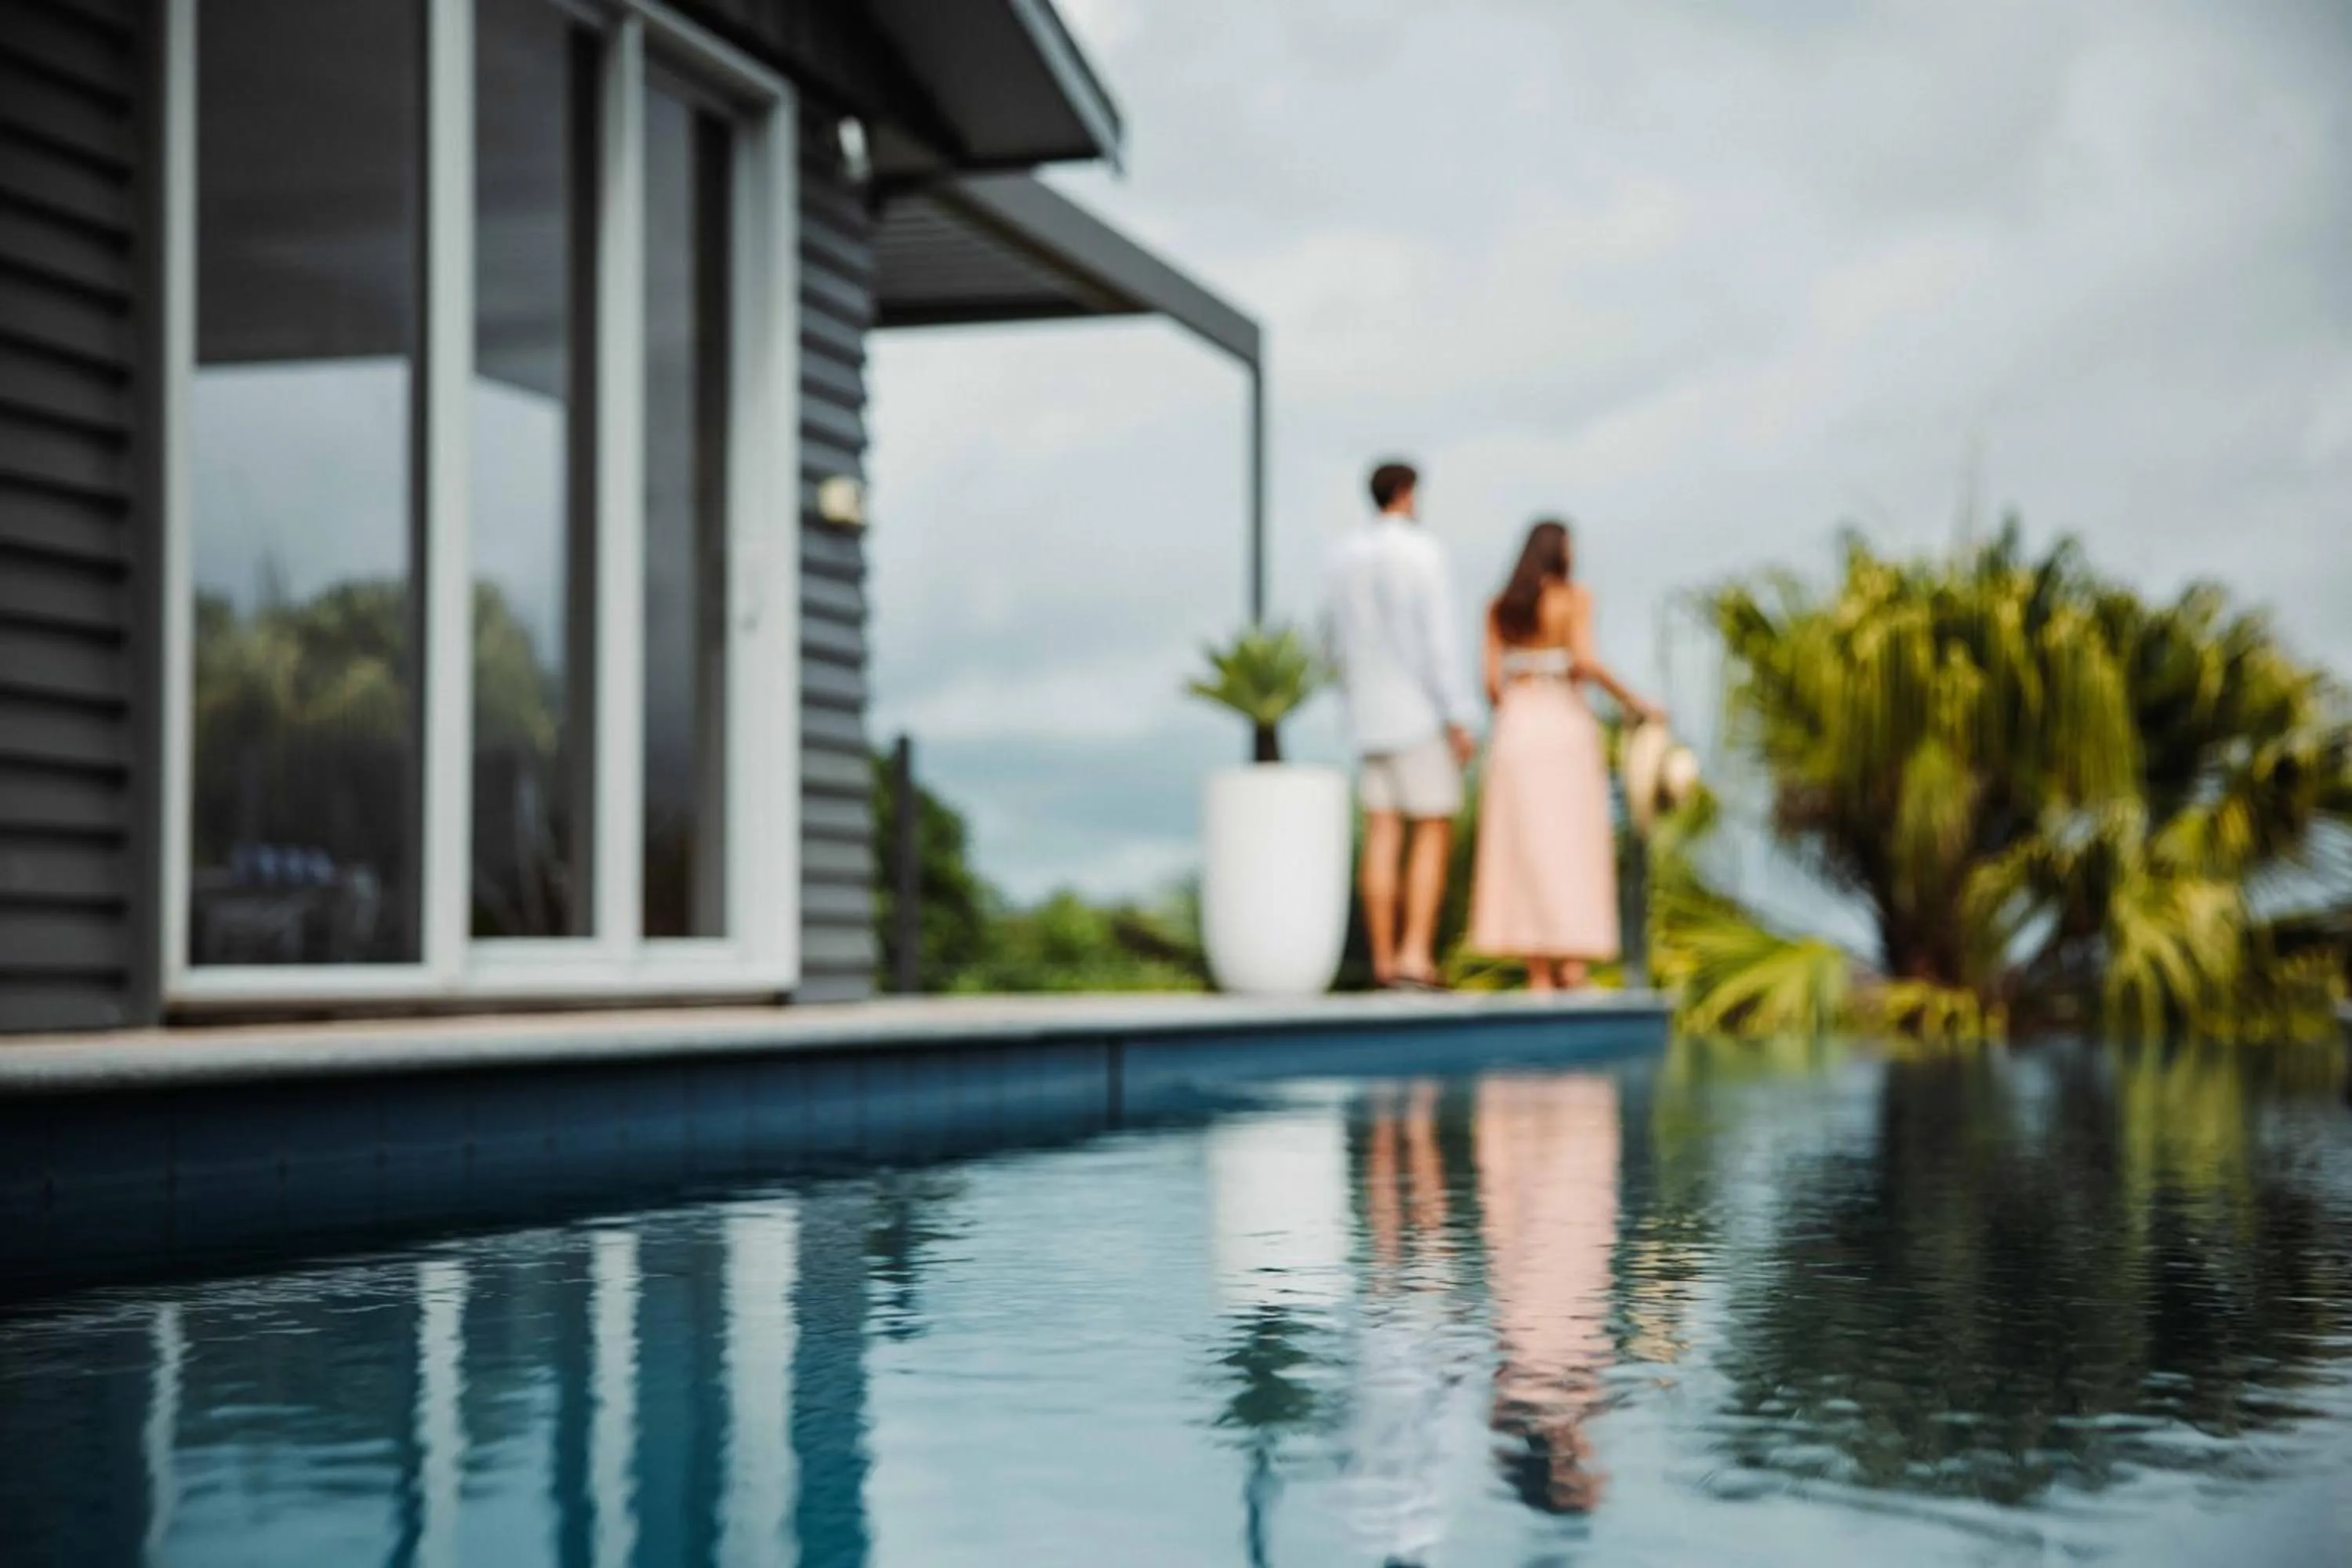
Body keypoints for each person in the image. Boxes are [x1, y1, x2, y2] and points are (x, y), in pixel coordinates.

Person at [1468, 519, 1661, 992]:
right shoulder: (1575, 598)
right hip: (1563, 723)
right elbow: (1586, 661)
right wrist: (1635, 701)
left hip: (1517, 722)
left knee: (1525, 845)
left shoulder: (1499, 608)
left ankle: (1538, 973)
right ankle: (1572, 967)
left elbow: (1491, 685)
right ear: (1562, 551)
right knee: (1570, 844)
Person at [1323, 461, 1481, 991]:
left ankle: (1385, 960)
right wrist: (1457, 714)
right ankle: (1415, 954)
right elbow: (1437, 642)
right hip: (1417, 713)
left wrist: (1350, 704)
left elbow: (1331, 642)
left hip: (1366, 716)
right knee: (1431, 828)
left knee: (1382, 834)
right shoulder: (1421, 551)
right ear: (1407, 493)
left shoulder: (1342, 557)